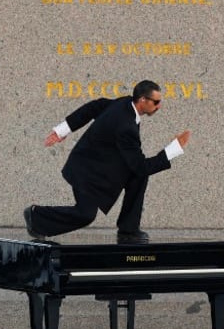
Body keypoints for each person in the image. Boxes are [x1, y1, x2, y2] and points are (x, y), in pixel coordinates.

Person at [25, 80, 190, 245]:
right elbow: (141, 166)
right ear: (142, 100)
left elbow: (94, 107)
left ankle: (129, 230)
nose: (159, 106)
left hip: (98, 165)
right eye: (156, 102)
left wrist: (62, 130)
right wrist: (173, 149)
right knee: (86, 215)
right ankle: (36, 217)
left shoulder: (124, 103)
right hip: (87, 171)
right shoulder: (126, 126)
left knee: (138, 177)